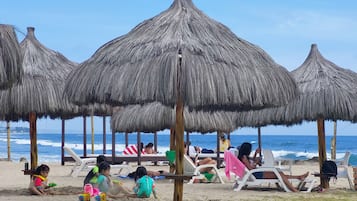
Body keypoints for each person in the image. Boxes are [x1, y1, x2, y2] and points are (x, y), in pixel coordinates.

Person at [238, 142, 309, 192]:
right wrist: (256, 163)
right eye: (250, 149)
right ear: (247, 149)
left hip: (255, 173)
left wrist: (256, 154)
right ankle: (293, 189)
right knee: (279, 174)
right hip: (256, 174)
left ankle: (298, 177)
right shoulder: (244, 157)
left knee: (280, 174)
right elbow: (250, 168)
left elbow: (251, 161)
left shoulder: (244, 157)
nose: (250, 150)